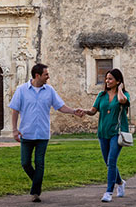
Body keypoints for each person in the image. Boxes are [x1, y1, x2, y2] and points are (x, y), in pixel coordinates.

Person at [9, 63, 84, 203]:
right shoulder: (21, 90)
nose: (48, 77)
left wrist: (74, 111)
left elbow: (60, 106)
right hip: (26, 133)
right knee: (25, 163)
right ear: (37, 75)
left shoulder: (49, 90)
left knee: (40, 163)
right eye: (46, 74)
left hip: (43, 133)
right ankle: (37, 183)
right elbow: (15, 110)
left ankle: (35, 192)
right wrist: (14, 130)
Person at [81, 68, 130, 203]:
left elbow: (122, 101)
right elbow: (93, 111)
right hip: (103, 132)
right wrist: (84, 111)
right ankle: (120, 182)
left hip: (117, 132)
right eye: (106, 79)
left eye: (110, 79)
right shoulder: (101, 95)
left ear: (118, 81)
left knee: (111, 161)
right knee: (108, 163)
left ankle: (108, 192)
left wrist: (120, 88)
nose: (107, 81)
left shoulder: (125, 94)